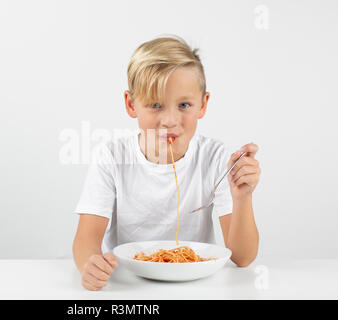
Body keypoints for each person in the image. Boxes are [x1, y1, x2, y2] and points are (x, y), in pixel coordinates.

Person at [72, 35, 261, 291]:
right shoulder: (112, 157)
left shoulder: (215, 157)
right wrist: (89, 265)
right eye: (155, 105)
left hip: (198, 287)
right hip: (129, 285)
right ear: (131, 105)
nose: (170, 120)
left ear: (203, 105)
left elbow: (243, 257)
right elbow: (85, 240)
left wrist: (242, 198)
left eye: (184, 105)